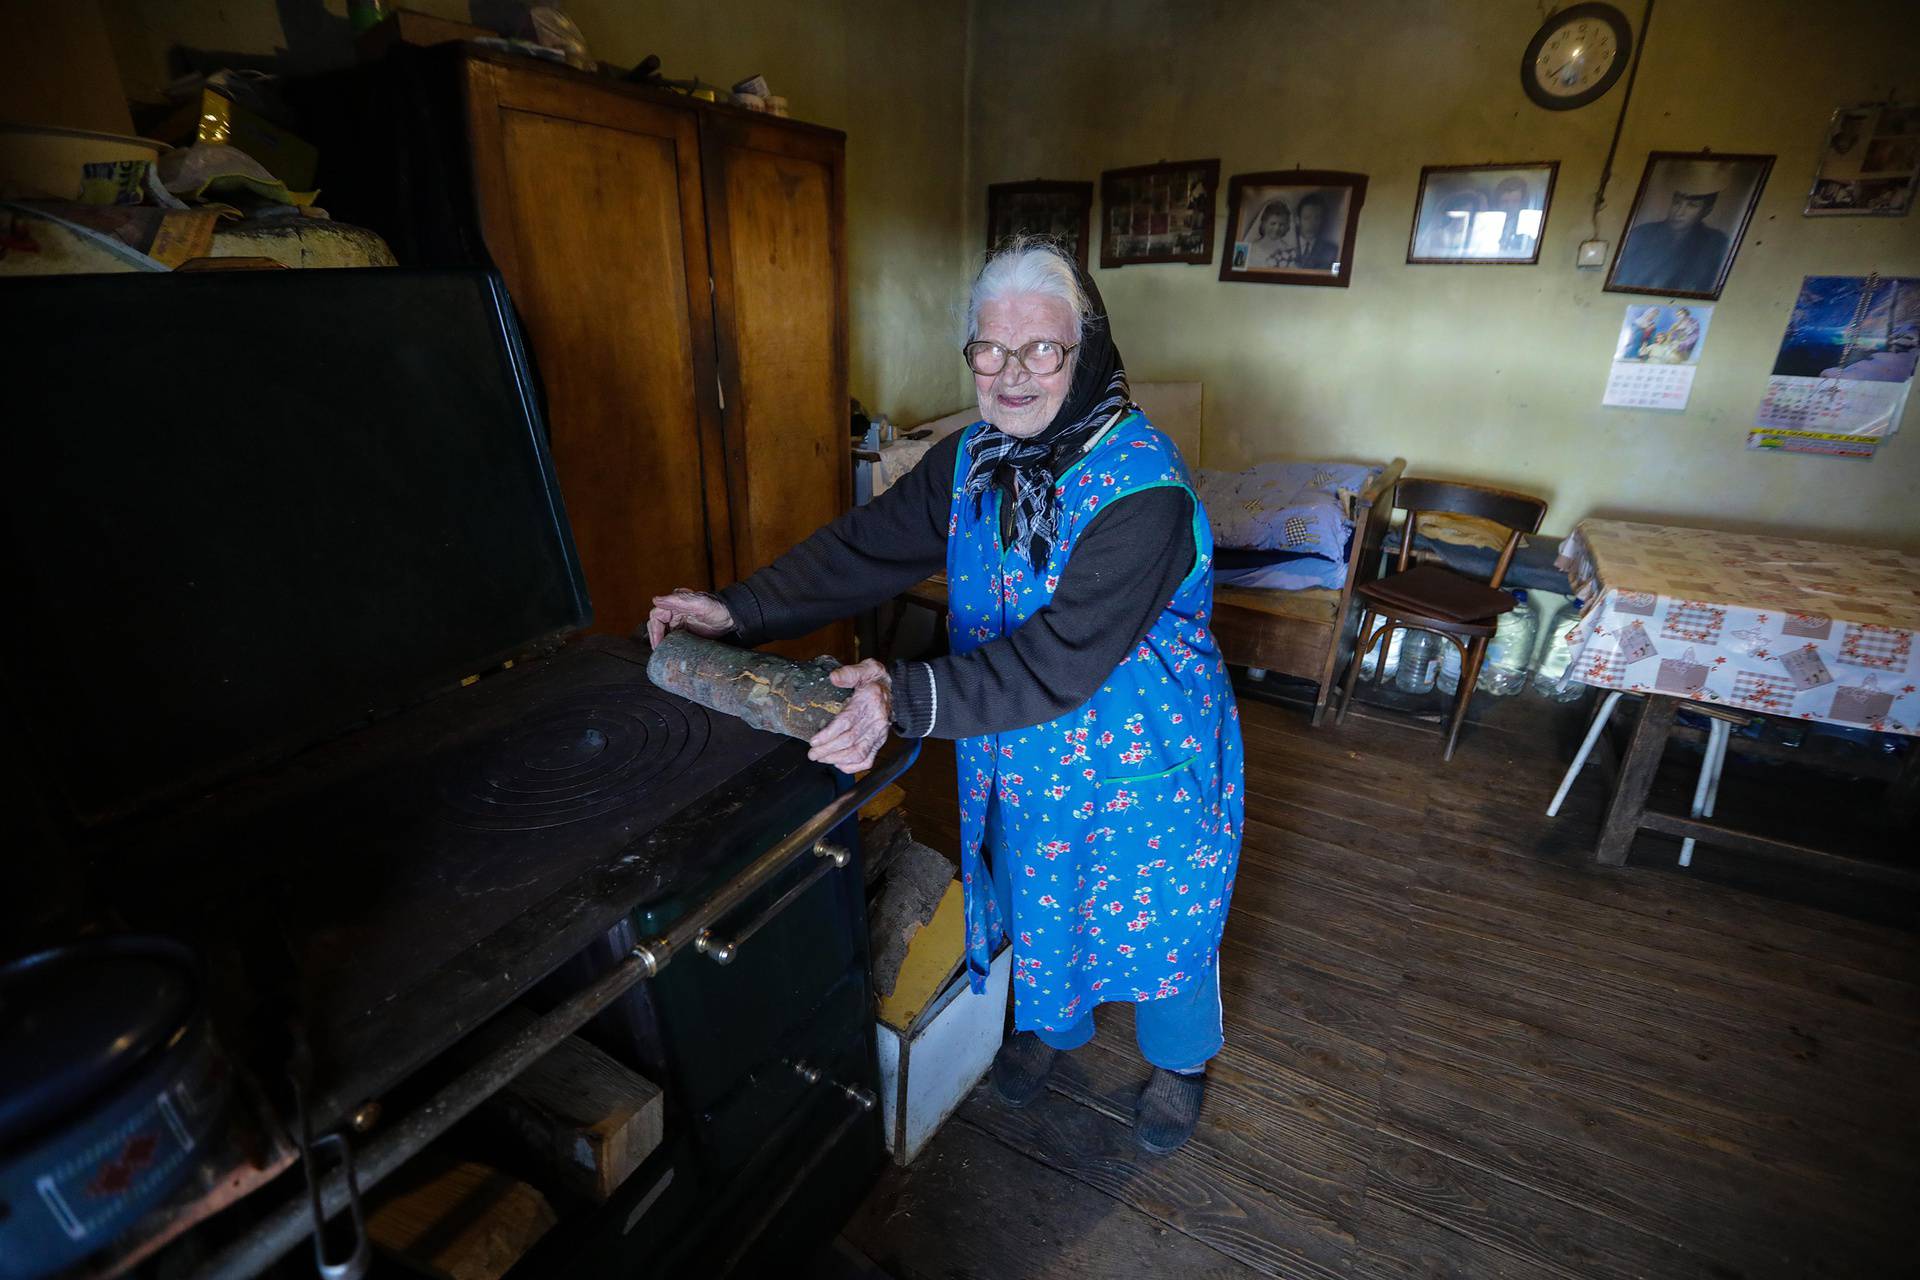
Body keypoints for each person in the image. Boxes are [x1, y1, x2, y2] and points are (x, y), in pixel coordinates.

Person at [648, 239, 1245, 1154]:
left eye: (1040, 350)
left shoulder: (1143, 488)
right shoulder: (969, 459)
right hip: (1019, 747)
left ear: (1083, 351)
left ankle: (1180, 1063)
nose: (1011, 376)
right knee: (1038, 894)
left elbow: (1057, 661)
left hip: (1143, 760)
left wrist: (902, 694)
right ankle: (1054, 1030)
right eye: (988, 351)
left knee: (1157, 914)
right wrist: (737, 609)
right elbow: (864, 548)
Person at [1612, 161, 1734, 295]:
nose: (1679, 212)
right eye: (1677, 202)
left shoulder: (1715, 243)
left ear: (1707, 210)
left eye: (1692, 206)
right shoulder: (1641, 234)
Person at [1293, 192, 1340, 270]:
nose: (1312, 223)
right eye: (1307, 218)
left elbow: (1335, 274)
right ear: (1298, 220)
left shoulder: (1332, 251)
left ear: (1323, 220)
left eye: (1317, 218)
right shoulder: (1285, 246)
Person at [1242, 198, 1294, 268]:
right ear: (1264, 224)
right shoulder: (1247, 249)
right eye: (1273, 223)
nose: (1277, 228)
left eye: (1281, 224)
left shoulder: (1289, 251)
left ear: (1287, 226)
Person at [1492, 176, 1535, 256]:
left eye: (1515, 201)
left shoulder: (1529, 227)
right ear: (1497, 202)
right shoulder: (1487, 225)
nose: (1509, 206)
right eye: (1504, 202)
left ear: (1523, 204)